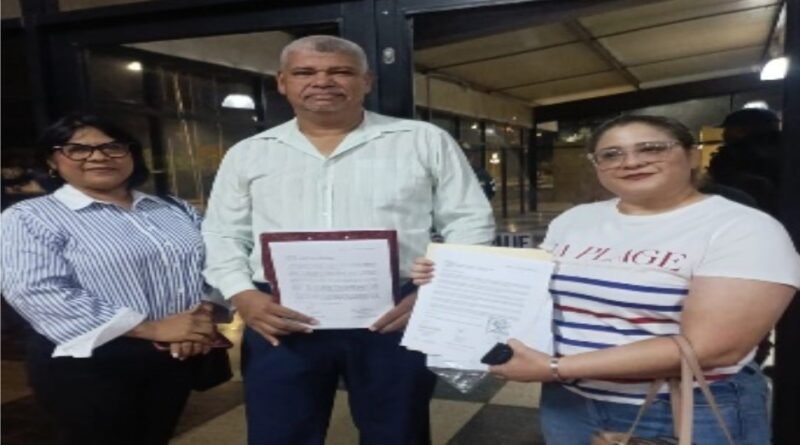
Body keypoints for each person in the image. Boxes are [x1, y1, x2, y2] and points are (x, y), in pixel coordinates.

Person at [412, 115, 800, 444]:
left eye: (651, 148)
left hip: (682, 405)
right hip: (570, 402)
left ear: (692, 155)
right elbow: (531, 291)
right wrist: (450, 278)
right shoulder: (577, 219)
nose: (631, 162)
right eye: (611, 154)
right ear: (597, 165)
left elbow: (714, 349)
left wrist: (555, 368)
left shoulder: (741, 228)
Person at [201, 35, 495, 445]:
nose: (322, 81)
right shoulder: (249, 153)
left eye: (340, 71)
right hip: (278, 312)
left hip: (395, 312)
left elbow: (470, 222)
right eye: (305, 72)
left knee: (397, 433)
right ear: (282, 82)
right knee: (279, 433)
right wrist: (242, 295)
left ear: (366, 81)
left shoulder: (422, 140)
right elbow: (222, 232)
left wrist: (435, 296)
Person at [1, 113, 222, 445]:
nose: (99, 157)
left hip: (174, 354)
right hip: (89, 363)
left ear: (131, 154)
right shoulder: (30, 217)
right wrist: (154, 329)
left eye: (112, 147)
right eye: (78, 149)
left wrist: (198, 320)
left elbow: (217, 261)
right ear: (52, 161)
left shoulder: (172, 209)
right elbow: (36, 291)